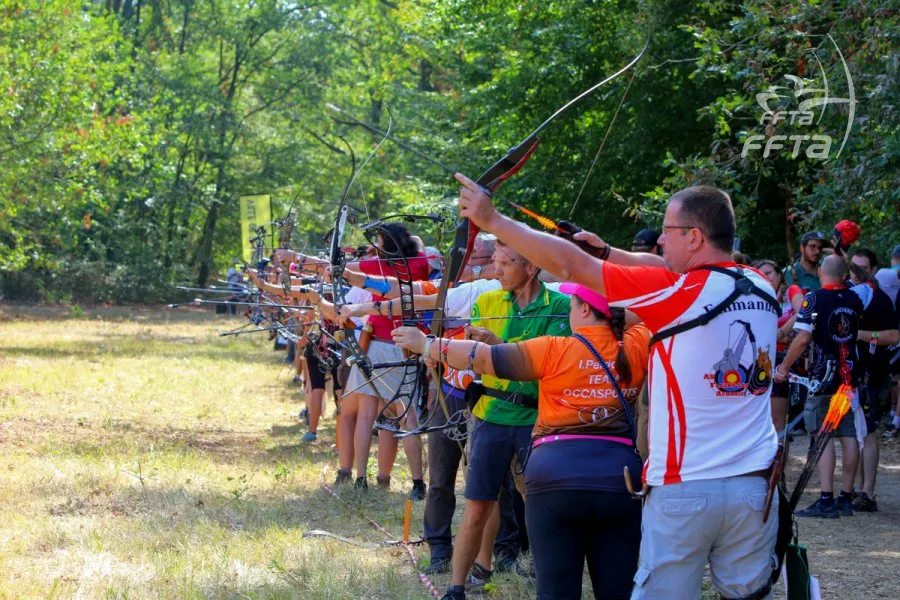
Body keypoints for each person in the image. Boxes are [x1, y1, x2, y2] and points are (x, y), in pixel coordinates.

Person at [455, 176, 780, 600]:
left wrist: (493, 219)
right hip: (754, 487)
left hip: (687, 486)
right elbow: (665, 268)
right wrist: (610, 253)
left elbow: (574, 268)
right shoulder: (760, 284)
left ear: (695, 237)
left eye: (668, 231)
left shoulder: (679, 294)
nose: (660, 241)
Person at [394, 285, 650, 600]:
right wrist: (613, 307)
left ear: (585, 310)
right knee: (617, 592)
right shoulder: (637, 345)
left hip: (556, 479)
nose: (568, 311)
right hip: (618, 479)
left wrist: (428, 344)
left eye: (573, 305)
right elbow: (647, 314)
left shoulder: (555, 349)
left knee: (557, 591)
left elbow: (483, 359)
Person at [432, 239, 571, 600]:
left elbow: (544, 365)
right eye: (494, 262)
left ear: (531, 267)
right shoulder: (487, 301)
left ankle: (546, 570)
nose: (496, 271)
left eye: (505, 264)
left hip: (536, 417)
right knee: (479, 501)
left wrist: (495, 345)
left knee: (536, 498)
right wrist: (439, 351)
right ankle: (458, 585)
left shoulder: (559, 306)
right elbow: (477, 360)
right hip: (491, 415)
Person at [775, 255, 863, 518]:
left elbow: (802, 338)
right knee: (847, 436)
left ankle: (826, 499)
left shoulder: (814, 298)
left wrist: (784, 367)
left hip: (822, 379)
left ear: (822, 272)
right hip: (848, 379)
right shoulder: (854, 298)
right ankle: (846, 498)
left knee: (821, 438)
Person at [848, 250, 899, 511]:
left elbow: (892, 336)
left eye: (863, 268)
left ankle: (867, 492)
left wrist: (861, 334)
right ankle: (855, 489)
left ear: (874, 269)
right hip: (850, 374)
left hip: (873, 373)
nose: (857, 273)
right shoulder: (846, 295)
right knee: (853, 434)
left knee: (867, 434)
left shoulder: (879, 300)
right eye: (853, 267)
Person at [754, 259, 804, 432]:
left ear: (779, 275)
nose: (765, 278)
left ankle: (779, 456)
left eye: (768, 273)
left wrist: (780, 333)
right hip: (762, 360)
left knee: (777, 417)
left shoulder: (791, 291)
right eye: (761, 274)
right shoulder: (756, 297)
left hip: (785, 360)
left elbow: (802, 313)